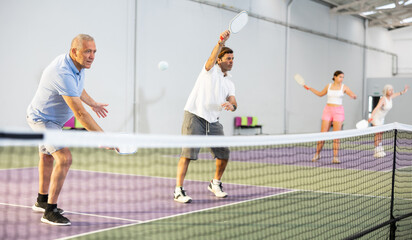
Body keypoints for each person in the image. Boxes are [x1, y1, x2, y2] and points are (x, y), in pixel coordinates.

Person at [26, 34, 109, 226]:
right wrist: (103, 138)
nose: (92, 56)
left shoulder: (77, 66)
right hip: (42, 119)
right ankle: (50, 211)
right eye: (88, 51)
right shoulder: (62, 72)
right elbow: (79, 114)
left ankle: (41, 200)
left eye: (94, 51)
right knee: (65, 158)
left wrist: (93, 103)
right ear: (75, 51)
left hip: (52, 121)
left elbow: (78, 89)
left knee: (47, 157)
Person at [174, 30, 237, 203]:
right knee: (187, 154)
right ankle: (178, 190)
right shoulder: (209, 70)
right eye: (228, 59)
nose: (231, 61)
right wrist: (220, 42)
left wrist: (232, 106)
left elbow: (233, 101)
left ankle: (215, 183)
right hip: (195, 115)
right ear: (219, 60)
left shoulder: (229, 82)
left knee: (223, 154)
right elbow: (211, 58)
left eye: (232, 59)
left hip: (213, 121)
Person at [302, 71, 357, 164]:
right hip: (327, 110)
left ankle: (335, 157)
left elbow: (352, 94)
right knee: (323, 134)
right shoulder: (329, 86)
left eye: (343, 77)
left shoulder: (344, 87)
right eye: (340, 77)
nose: (341, 79)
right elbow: (320, 94)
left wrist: (353, 96)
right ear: (334, 77)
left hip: (338, 112)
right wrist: (310, 88)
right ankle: (317, 154)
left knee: (336, 136)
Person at [368, 84, 409, 157]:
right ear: (386, 91)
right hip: (376, 118)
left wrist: (403, 91)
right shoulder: (383, 99)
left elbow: (397, 94)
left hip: (382, 119)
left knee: (381, 134)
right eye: (389, 90)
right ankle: (376, 151)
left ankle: (380, 149)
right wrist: (371, 116)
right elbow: (377, 107)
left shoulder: (390, 97)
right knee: (378, 134)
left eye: (392, 89)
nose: (391, 91)